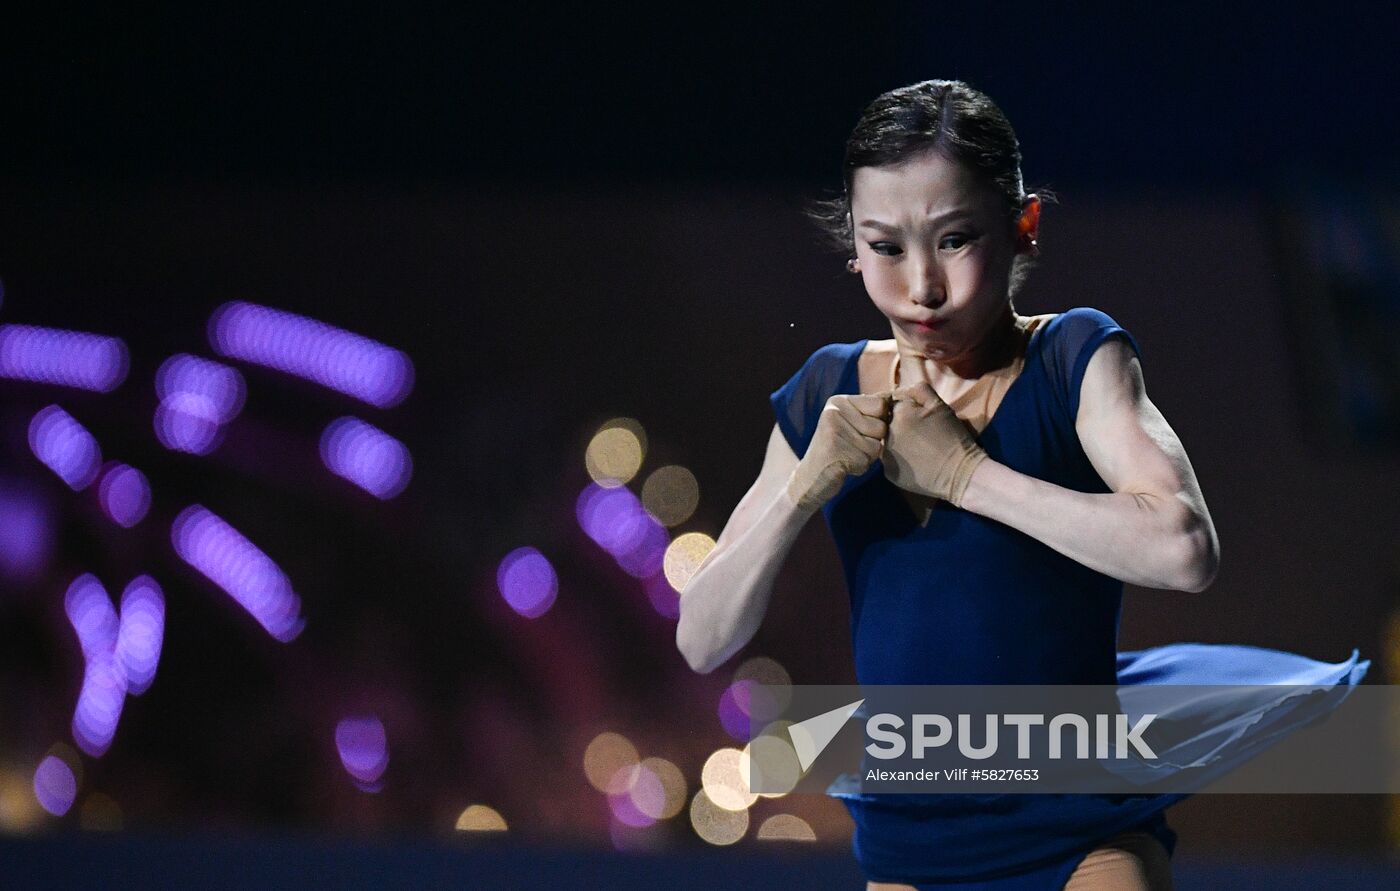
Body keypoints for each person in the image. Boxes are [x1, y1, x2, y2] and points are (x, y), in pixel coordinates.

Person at [675, 80, 1367, 890]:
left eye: (955, 239)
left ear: (1024, 226)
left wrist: (967, 474)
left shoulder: (1077, 357)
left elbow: (1185, 549)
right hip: (915, 845)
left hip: (1080, 832)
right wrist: (800, 492)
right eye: (887, 247)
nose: (922, 286)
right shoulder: (827, 391)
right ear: (854, 248)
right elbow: (702, 638)